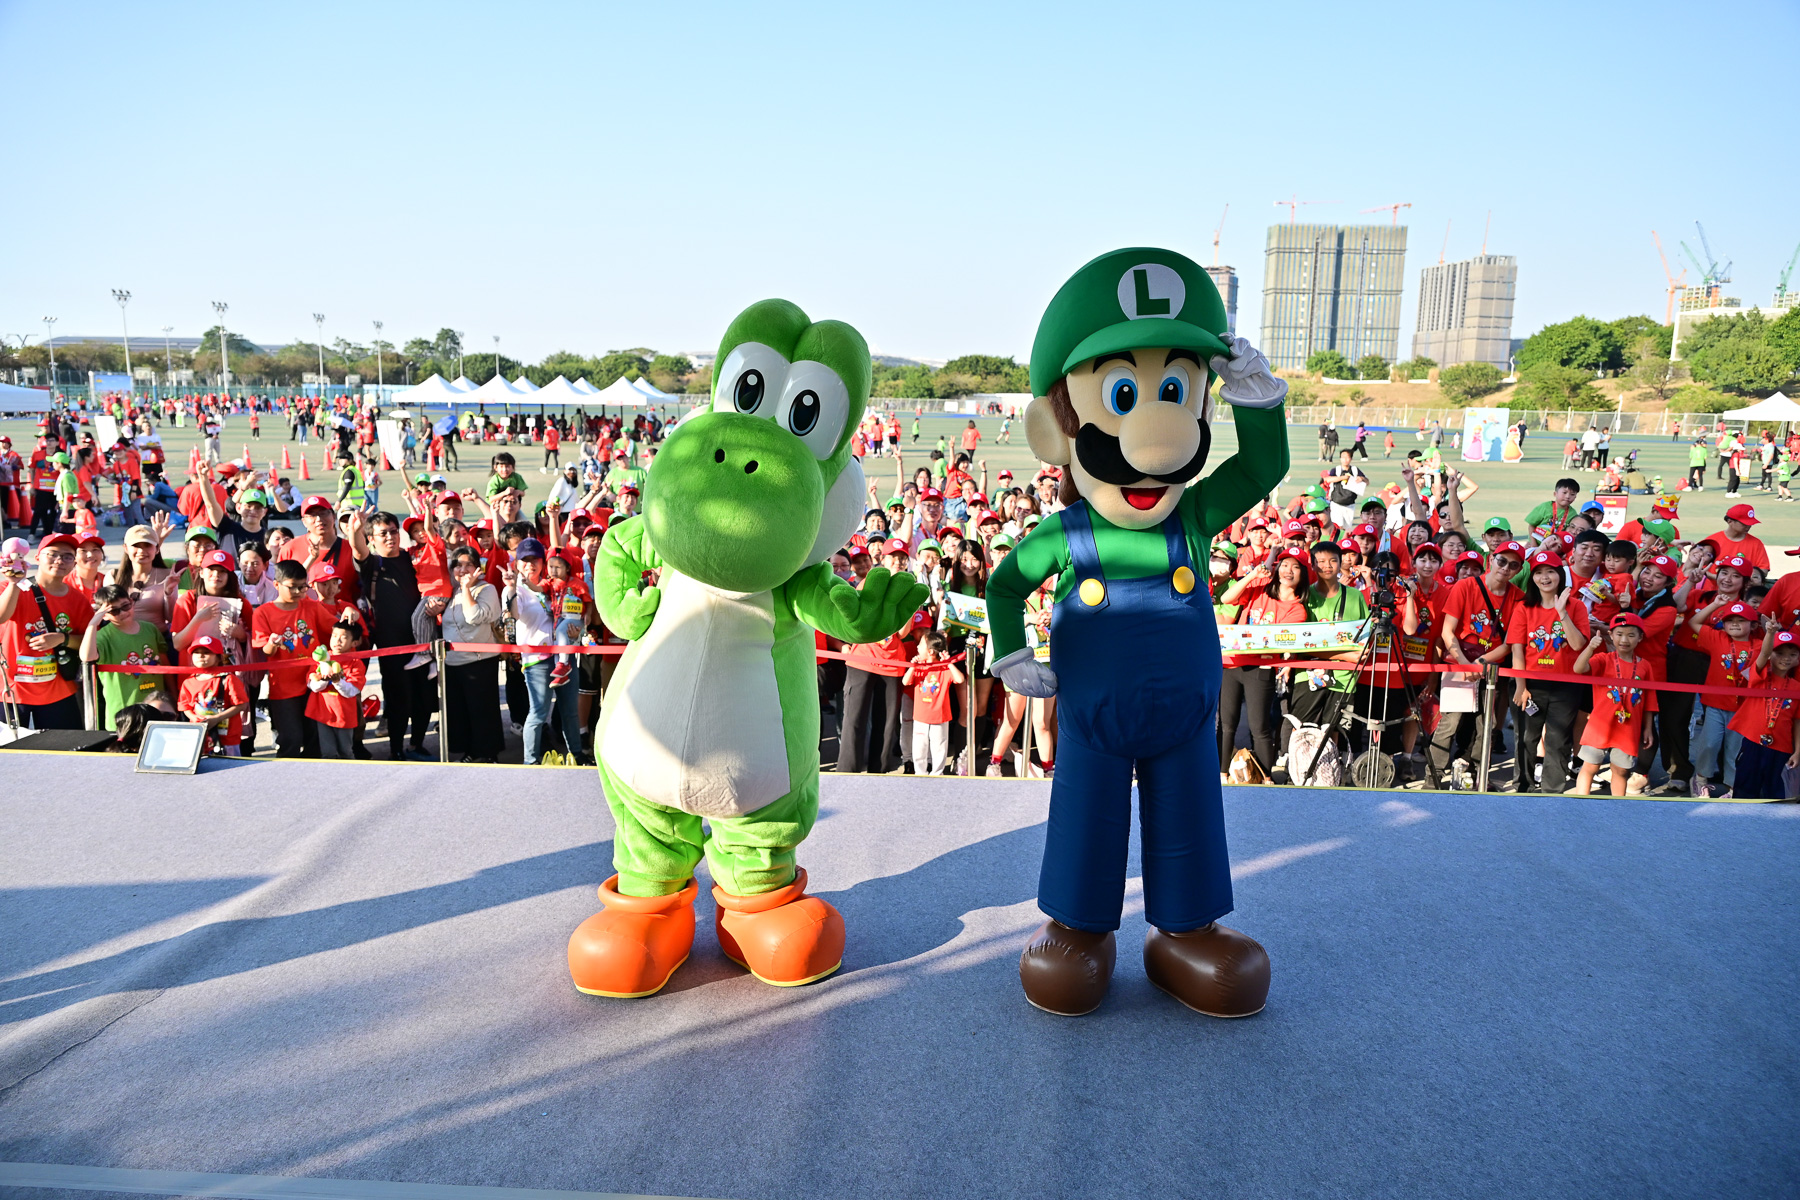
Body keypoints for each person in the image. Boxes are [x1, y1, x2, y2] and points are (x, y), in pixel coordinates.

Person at [1216, 547, 1310, 778]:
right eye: (1284, 564)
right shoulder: (1260, 587)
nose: (1288, 570)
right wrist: (1252, 576)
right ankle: (1221, 774)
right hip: (1232, 662)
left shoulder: (1297, 610)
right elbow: (1226, 598)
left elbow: (1274, 642)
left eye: (1295, 567)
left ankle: (1266, 778)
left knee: (1259, 727)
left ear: (1303, 574)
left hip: (1260, 669)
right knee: (1226, 725)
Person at [1506, 549, 1591, 795]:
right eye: (1539, 573)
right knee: (1526, 737)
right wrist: (1521, 687)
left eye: (1550, 572)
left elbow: (1577, 644)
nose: (1544, 578)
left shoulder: (1576, 606)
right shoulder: (1523, 607)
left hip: (1566, 685)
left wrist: (1562, 612)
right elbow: (1517, 650)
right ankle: (1523, 786)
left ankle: (1552, 791)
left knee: (1558, 739)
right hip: (1531, 683)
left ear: (1560, 575)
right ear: (1532, 577)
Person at [0, 533, 95, 729]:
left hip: (59, 691)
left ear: (74, 562)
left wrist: (62, 638)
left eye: (67, 556)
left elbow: (90, 642)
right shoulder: (10, 587)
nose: (59, 560)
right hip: (10, 691)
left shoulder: (78, 600)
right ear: (37, 557)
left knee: (65, 747)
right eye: (52, 554)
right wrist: (14, 583)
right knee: (9, 748)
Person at [251, 559, 338, 758]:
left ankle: (311, 773)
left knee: (315, 736)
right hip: (283, 688)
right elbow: (266, 651)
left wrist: (349, 614)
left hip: (313, 682)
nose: (299, 592)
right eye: (292, 587)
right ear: (276, 584)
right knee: (291, 738)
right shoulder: (264, 612)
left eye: (303, 586)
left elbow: (334, 628)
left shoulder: (311, 607)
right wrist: (272, 642)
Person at [1570, 614, 1659, 796]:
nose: (1624, 640)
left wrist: (1648, 728)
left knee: (1621, 771)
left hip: (1628, 727)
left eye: (1631, 635)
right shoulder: (1603, 659)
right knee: (1590, 767)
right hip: (1600, 725)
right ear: (1610, 635)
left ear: (1640, 637)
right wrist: (1590, 648)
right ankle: (1579, 803)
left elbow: (1649, 699)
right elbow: (1578, 668)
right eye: (1619, 634)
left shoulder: (1645, 666)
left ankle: (1617, 806)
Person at [1685, 598, 1761, 797]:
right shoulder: (1717, 637)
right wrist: (1716, 605)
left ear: (1753, 625)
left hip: (1744, 709)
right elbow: (1694, 622)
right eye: (1729, 620)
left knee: (1735, 749)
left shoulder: (1760, 646)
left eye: (1741, 620)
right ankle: (1700, 779)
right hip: (1715, 704)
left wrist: (1770, 632)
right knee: (1709, 744)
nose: (1734, 624)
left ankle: (1733, 786)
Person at [440, 545, 504, 763]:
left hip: (480, 661)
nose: (463, 569)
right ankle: (470, 751)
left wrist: (467, 589)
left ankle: (488, 753)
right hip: (453, 662)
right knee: (461, 712)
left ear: (478, 567)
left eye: (469, 564)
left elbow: (474, 616)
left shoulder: (487, 589)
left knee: (482, 710)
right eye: (458, 565)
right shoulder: (451, 591)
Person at [79, 582, 170, 729]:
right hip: (123, 713)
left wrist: (172, 695)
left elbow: (165, 665)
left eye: (125, 606)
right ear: (104, 615)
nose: (122, 613)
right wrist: (93, 624)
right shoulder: (103, 636)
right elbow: (86, 657)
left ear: (132, 602)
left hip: (156, 708)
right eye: (114, 611)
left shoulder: (150, 629)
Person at [1728, 625, 1800, 800]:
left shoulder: (1797, 687)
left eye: (1792, 655)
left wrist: (1798, 751)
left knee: (1775, 795)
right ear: (1771, 655)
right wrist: (1770, 632)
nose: (1786, 659)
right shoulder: (1758, 677)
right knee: (1744, 792)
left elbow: (1798, 722)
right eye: (1780, 653)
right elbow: (1764, 653)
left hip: (1781, 748)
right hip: (1753, 743)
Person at [306, 611, 368, 759]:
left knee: (345, 751)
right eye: (334, 636)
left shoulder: (356, 663)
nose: (337, 641)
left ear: (355, 643)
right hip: (323, 713)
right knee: (327, 753)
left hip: (344, 715)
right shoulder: (322, 658)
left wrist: (337, 681)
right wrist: (323, 679)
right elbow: (312, 685)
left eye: (343, 637)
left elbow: (352, 691)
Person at [903, 629, 964, 775]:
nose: (917, 647)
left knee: (939, 747)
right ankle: (920, 773)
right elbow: (905, 681)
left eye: (921, 645)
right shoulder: (919, 667)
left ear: (930, 652)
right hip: (920, 717)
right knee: (919, 748)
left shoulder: (944, 669)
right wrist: (912, 667)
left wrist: (948, 663)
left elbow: (960, 679)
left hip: (940, 717)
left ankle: (937, 773)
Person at [179, 634, 251, 755]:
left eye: (206, 652)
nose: (201, 656)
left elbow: (241, 705)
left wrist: (218, 718)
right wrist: (194, 718)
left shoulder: (228, 679)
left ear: (218, 657)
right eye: (196, 652)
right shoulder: (188, 682)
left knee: (228, 764)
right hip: (200, 735)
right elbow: (185, 706)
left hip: (227, 738)